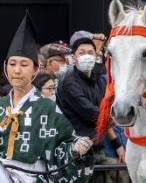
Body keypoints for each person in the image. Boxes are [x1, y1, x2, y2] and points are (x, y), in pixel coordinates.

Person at [0, 11, 94, 182]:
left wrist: (75, 148)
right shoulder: (1, 106)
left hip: (33, 177)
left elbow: (62, 146)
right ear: (6, 67)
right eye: (12, 64)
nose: (17, 70)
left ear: (36, 70)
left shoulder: (47, 108)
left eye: (24, 64)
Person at [57, 37, 125, 183]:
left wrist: (117, 143)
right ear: (74, 58)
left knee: (124, 175)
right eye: (81, 53)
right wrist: (113, 116)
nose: (86, 56)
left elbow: (106, 111)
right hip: (79, 151)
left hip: (99, 149)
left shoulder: (100, 81)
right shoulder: (70, 84)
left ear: (96, 56)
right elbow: (92, 114)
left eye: (90, 52)